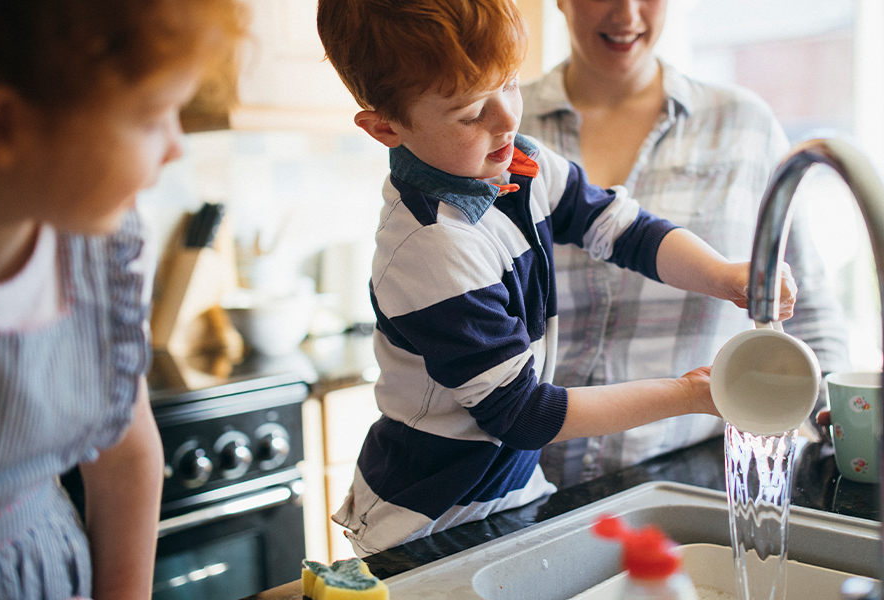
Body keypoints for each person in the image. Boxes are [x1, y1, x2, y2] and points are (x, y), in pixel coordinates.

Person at [316, 0, 798, 557]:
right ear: (385, 127)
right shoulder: (431, 247)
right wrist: (689, 394)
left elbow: (625, 230)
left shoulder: (518, 163)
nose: (507, 120)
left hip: (510, 498)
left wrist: (722, 274)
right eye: (472, 113)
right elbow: (524, 414)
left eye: (511, 85)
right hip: (429, 522)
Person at [0, 1, 246, 598]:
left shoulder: (101, 256)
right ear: (0, 127)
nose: (176, 145)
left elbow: (125, 456)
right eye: (152, 117)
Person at [518, 0, 851, 487]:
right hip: (518, 484)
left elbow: (807, 307)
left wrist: (840, 419)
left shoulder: (742, 126)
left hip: (690, 477)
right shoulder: (499, 127)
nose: (627, 14)